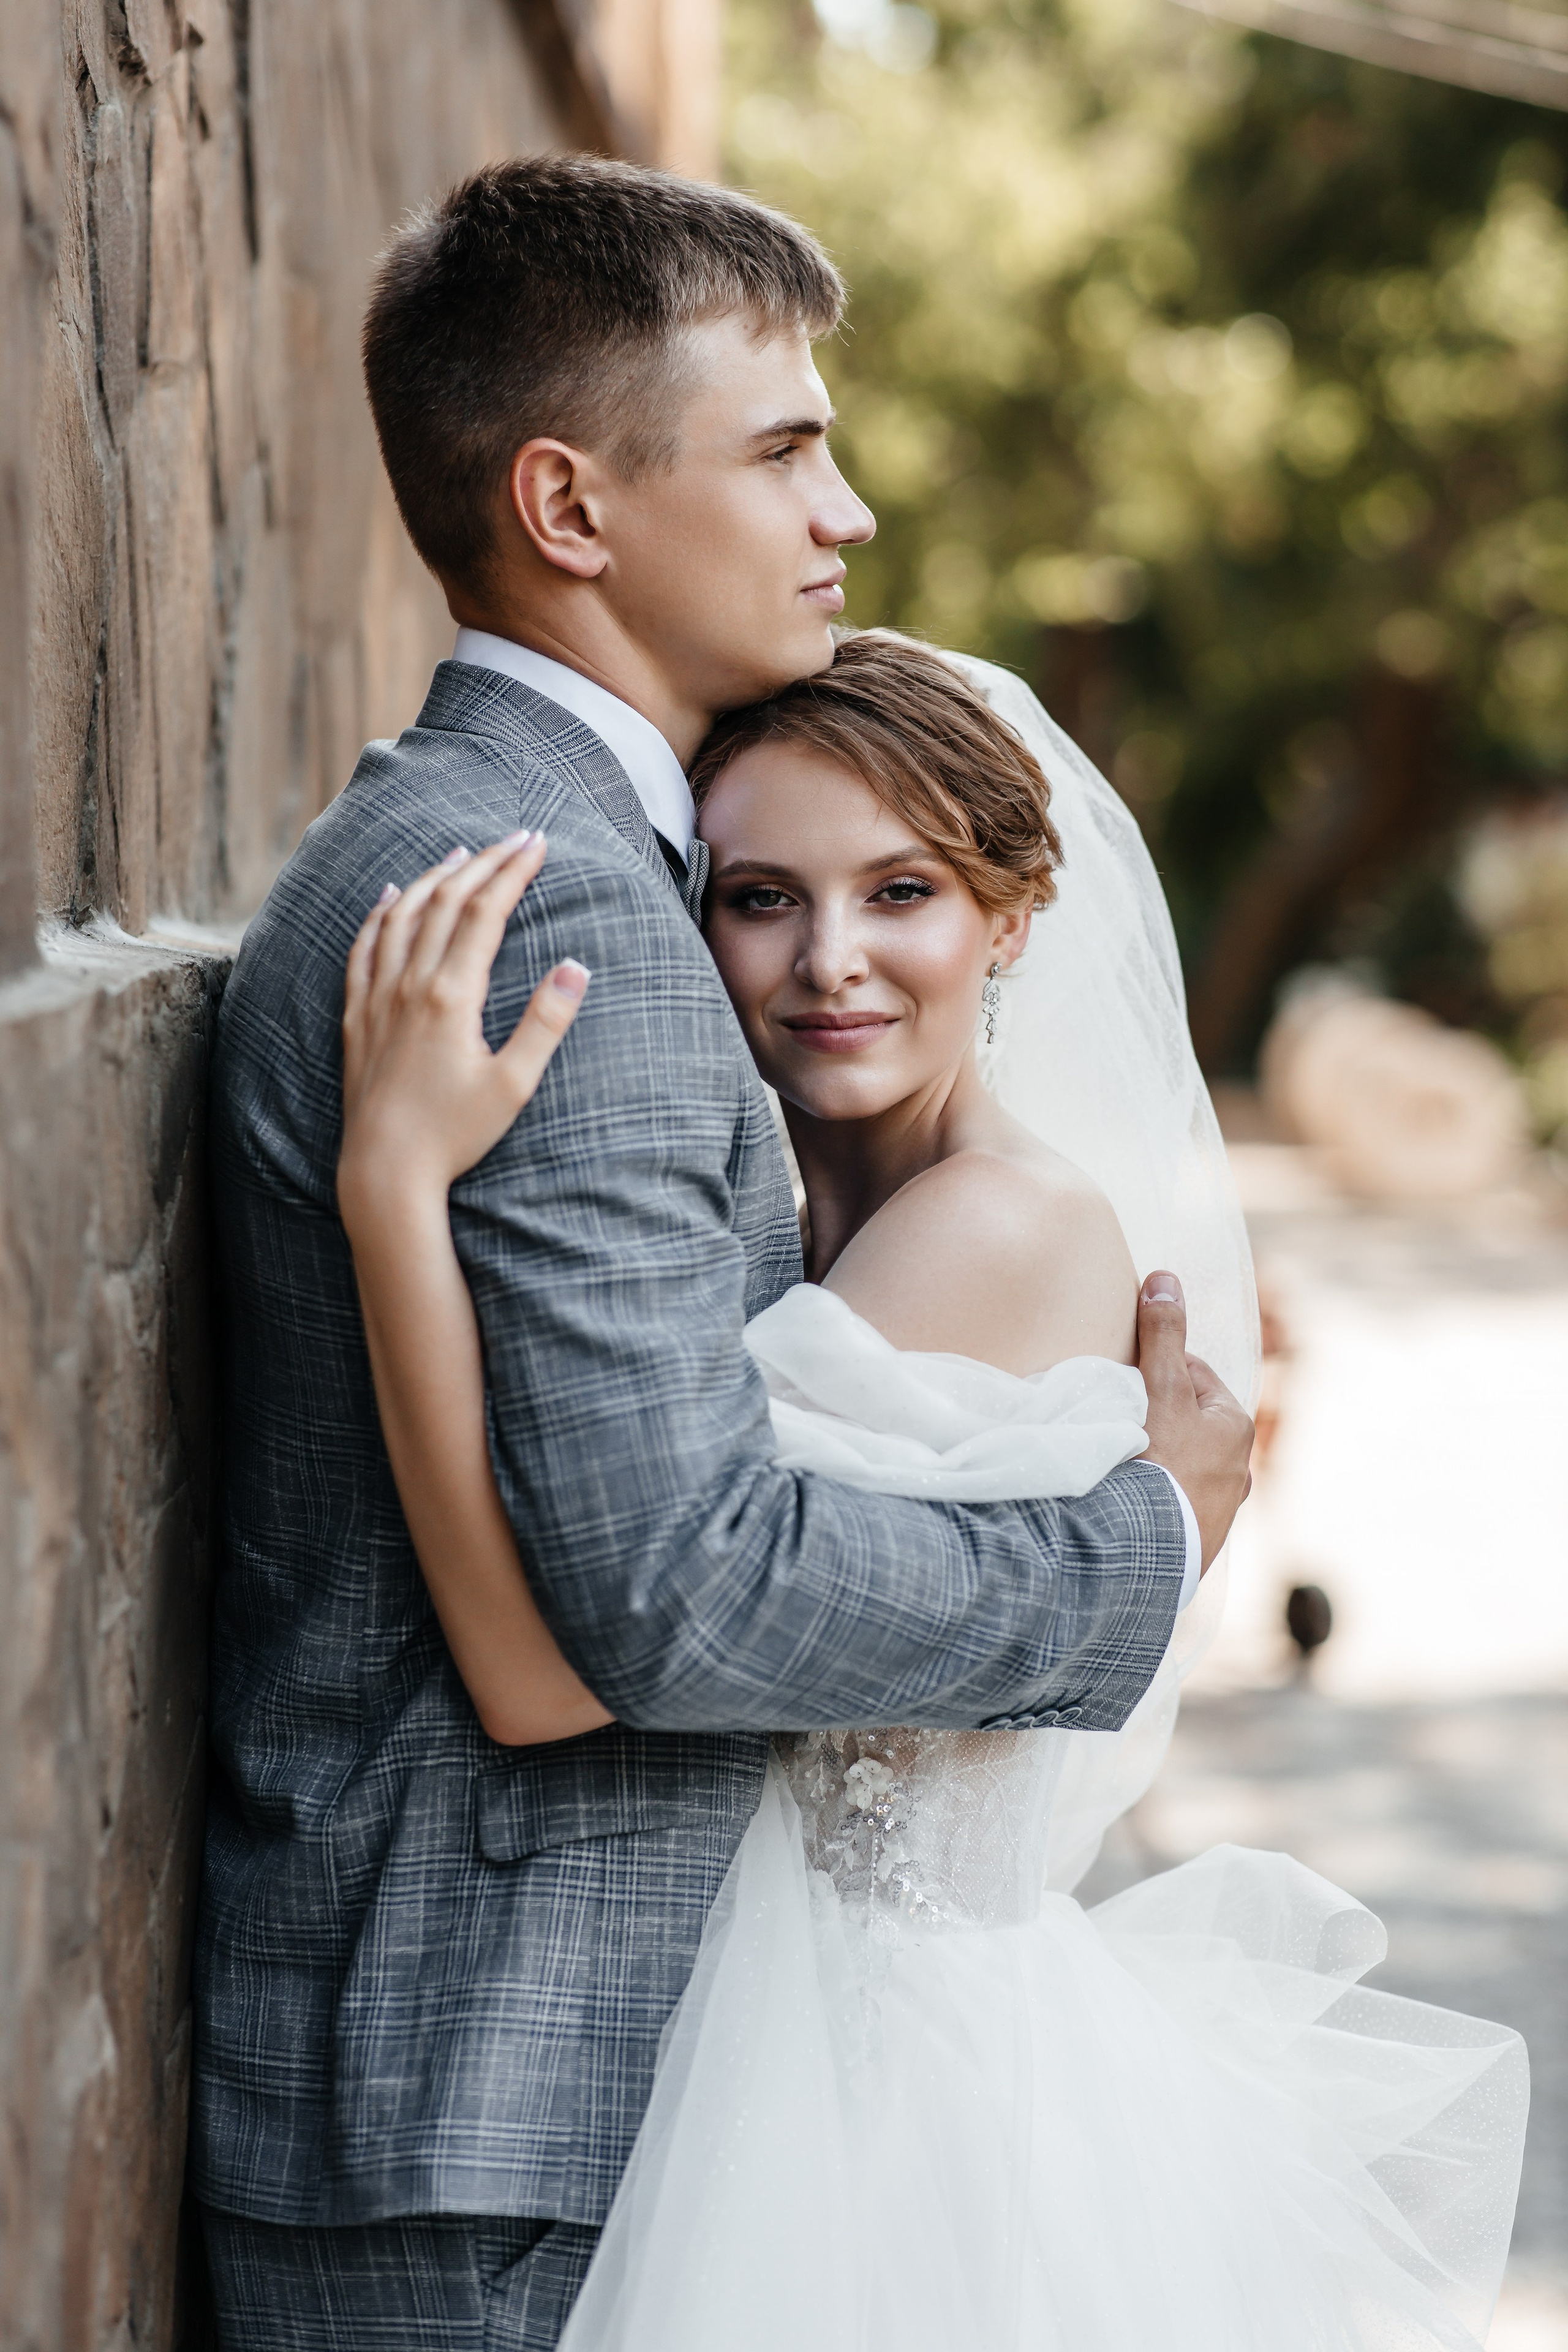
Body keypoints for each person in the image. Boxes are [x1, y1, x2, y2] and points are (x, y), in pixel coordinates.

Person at [193, 157, 1254, 2348]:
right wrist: (1136, 1544)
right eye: (785, 448)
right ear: (572, 509)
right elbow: (670, 1591)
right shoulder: (564, 914)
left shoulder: (527, 854)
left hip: (499, 2101)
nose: (844, 512)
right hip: (497, 2115)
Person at [334, 632, 1529, 2352]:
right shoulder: (813, 1221)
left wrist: (392, 1196)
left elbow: (547, 1673)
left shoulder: (997, 1231)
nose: (834, 963)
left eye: (902, 891)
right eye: (760, 898)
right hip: (788, 2043)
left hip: (859, 2096)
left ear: (1013, 920)